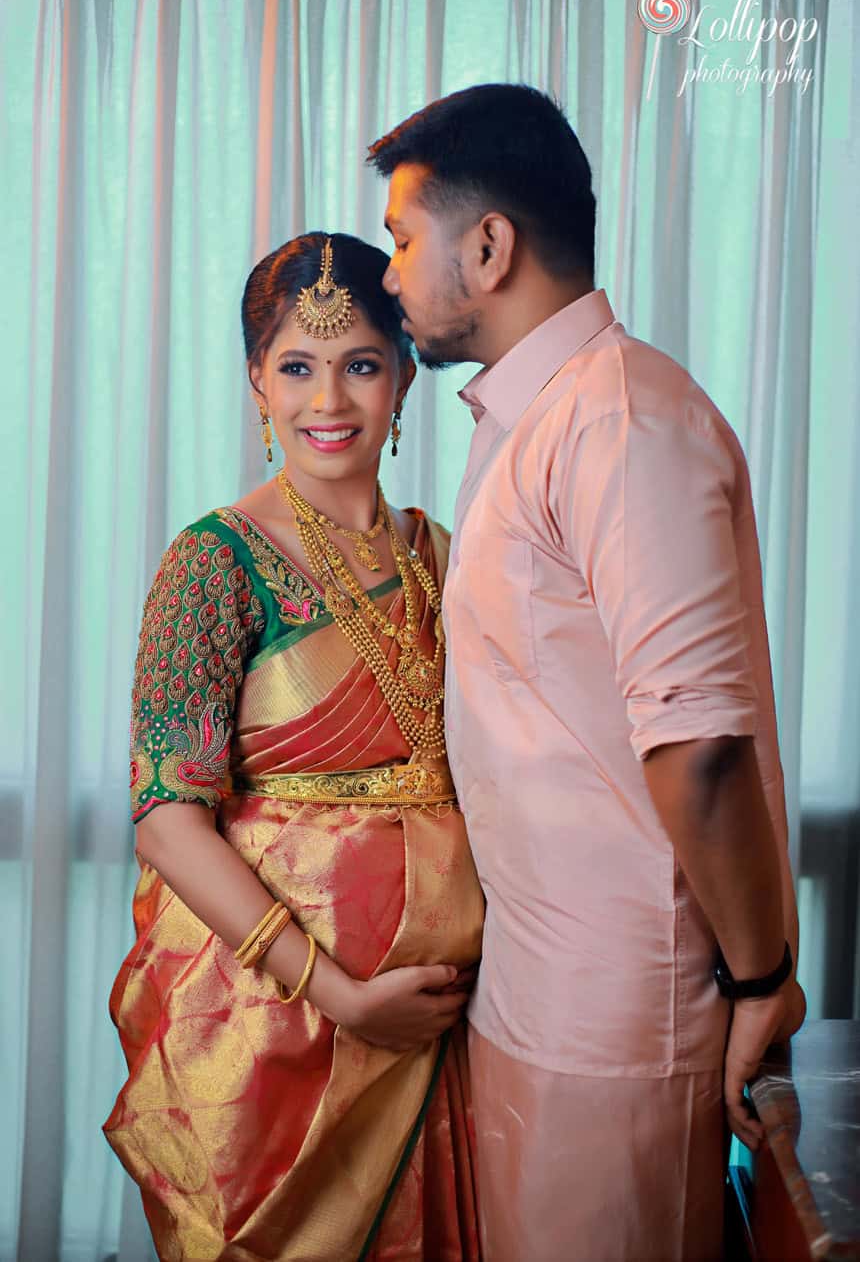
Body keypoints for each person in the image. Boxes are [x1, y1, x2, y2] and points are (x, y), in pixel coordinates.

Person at [368, 83, 807, 1262]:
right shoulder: (528, 422)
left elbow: (699, 745)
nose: (391, 271)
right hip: (531, 991)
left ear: (490, 245)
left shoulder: (617, 418)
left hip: (619, 1011)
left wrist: (761, 976)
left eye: (406, 239)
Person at [103, 232, 484, 1261]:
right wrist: (340, 993)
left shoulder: (446, 554)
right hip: (276, 1018)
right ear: (255, 382)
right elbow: (167, 821)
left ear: (402, 374)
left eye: (360, 363)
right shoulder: (213, 563)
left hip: (446, 1013)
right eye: (297, 367)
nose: (329, 399)